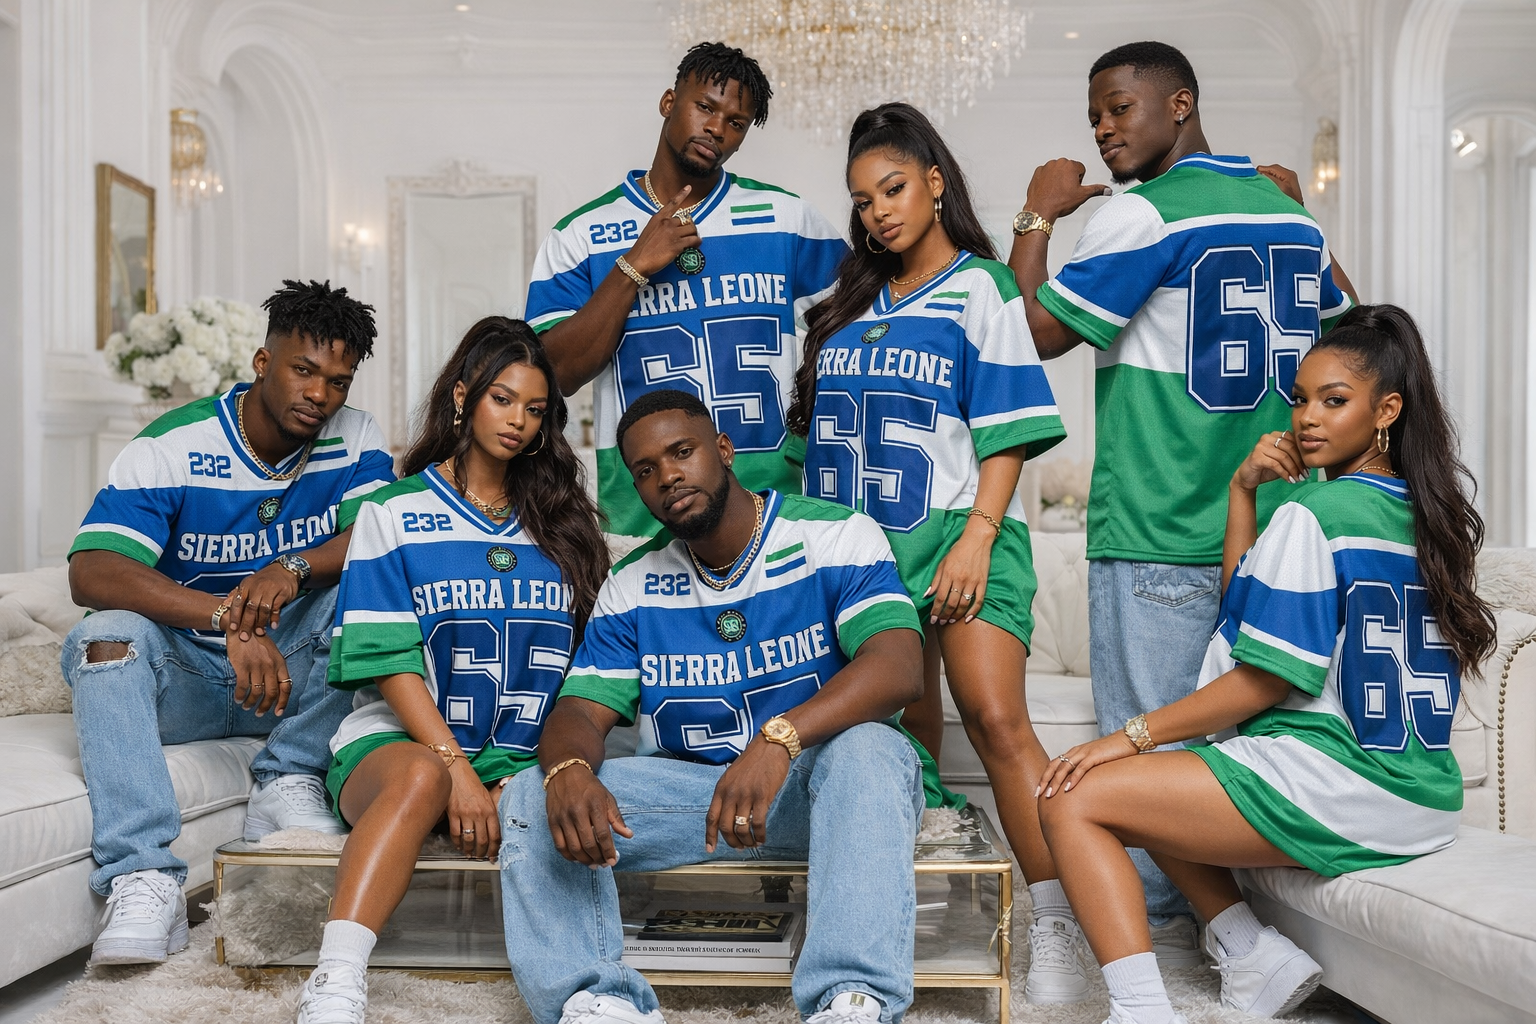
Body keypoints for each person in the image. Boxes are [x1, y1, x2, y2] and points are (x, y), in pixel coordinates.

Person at [1034, 304, 1495, 1024]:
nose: (1308, 417)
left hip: (1345, 787)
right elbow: (1247, 615)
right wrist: (1241, 490)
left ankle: (1141, 1011)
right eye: (1301, 399)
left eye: (1333, 401)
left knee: (1072, 795)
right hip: (1423, 797)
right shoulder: (1428, 516)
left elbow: (1264, 678)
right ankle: (1252, 954)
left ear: (1387, 411)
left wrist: (1126, 735)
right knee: (1163, 777)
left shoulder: (1317, 515)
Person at [1004, 40, 1359, 953]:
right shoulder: (1291, 212)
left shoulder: (1139, 217)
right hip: (1281, 533)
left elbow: (1034, 334)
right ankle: (1245, 941)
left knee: (1149, 760)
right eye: (1095, 115)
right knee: (1248, 755)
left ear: (1182, 103)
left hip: (1158, 527)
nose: (1104, 129)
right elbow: (1356, 336)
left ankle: (1177, 960)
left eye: (1120, 108)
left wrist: (1037, 217)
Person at [498, 389, 927, 1024]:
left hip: (821, 788)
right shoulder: (633, 583)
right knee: (533, 791)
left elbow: (897, 666)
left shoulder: (832, 533)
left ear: (722, 451)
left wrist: (780, 739)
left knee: (869, 748)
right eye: (645, 470)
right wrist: (568, 772)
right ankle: (595, 1001)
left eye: (681, 452)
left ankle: (850, 999)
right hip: (697, 803)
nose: (666, 476)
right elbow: (579, 714)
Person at [787, 103, 1085, 1004]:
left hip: (961, 533)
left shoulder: (982, 287)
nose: (879, 210)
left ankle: (1059, 922)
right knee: (887, 736)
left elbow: (1004, 434)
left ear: (934, 183)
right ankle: (884, 919)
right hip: (857, 554)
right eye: (863, 198)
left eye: (894, 188)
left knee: (995, 722)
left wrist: (980, 539)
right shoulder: (840, 303)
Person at [63, 280, 394, 964]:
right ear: (262, 361)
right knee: (101, 638)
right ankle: (143, 876)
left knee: (376, 594)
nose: (319, 395)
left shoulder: (356, 435)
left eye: (337, 381)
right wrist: (227, 618)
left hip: (291, 676)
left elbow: (377, 538)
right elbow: (91, 570)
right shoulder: (173, 444)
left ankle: (286, 776)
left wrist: (290, 569)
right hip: (186, 672)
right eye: (304, 371)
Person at [294, 318, 608, 1024]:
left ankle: (592, 986)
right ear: (463, 397)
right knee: (422, 776)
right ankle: (336, 979)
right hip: (401, 746)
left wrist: (525, 774)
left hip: (521, 753)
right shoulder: (392, 513)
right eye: (503, 400)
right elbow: (390, 663)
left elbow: (588, 669)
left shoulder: (563, 525)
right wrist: (457, 769)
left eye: (535, 410)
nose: (519, 423)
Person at [526, 41, 846, 553]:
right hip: (639, 515)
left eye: (736, 122)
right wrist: (632, 267)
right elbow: (554, 375)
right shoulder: (580, 234)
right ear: (669, 102)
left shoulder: (787, 220)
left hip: (769, 502)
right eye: (706, 106)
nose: (718, 128)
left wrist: (804, 433)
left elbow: (862, 333)